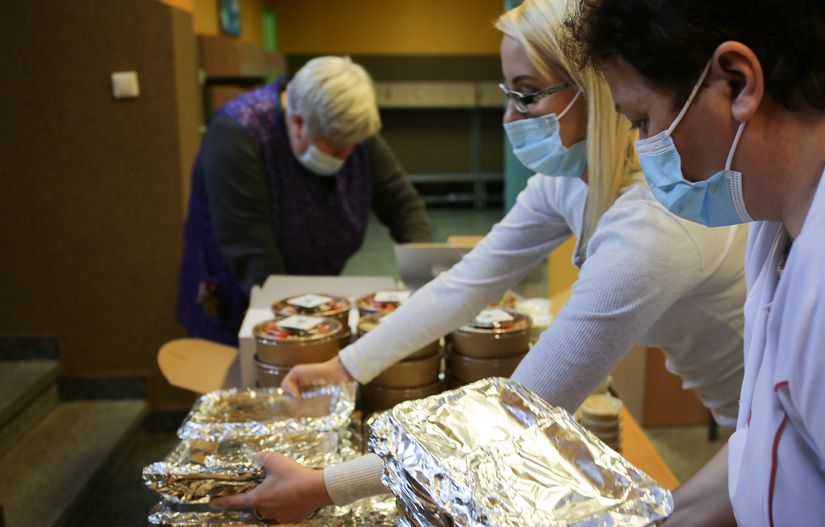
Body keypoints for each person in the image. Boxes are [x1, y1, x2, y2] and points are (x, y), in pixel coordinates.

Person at [211, 0, 748, 522]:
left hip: (766, 415)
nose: (510, 116)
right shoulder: (570, 181)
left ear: (602, 89)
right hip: (745, 418)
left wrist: (321, 486)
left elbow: (516, 415)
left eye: (528, 95)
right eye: (508, 94)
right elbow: (465, 284)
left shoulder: (652, 225)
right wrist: (344, 366)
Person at [568, 0, 825, 525]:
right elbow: (767, 440)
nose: (645, 148)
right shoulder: (788, 180)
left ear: (738, 82)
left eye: (643, 121)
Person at [176, 56, 431, 346]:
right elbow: (252, 250)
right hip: (240, 294)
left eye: (352, 146)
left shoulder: (350, 130)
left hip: (309, 292)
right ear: (298, 123)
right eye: (335, 148)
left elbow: (402, 205)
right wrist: (302, 331)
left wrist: (424, 277)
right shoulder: (237, 134)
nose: (346, 156)